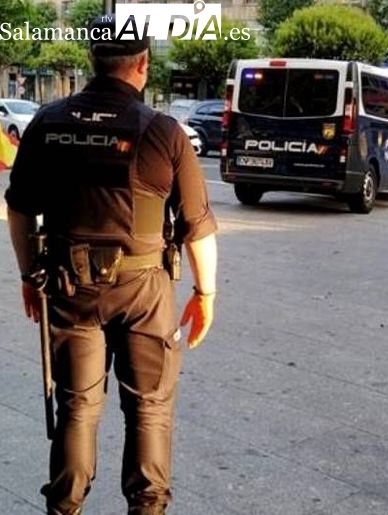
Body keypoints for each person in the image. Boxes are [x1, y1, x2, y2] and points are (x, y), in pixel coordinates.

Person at [5, 17, 218, 515]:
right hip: (144, 291)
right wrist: (205, 294)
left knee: (78, 406)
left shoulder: (47, 122)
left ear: (91, 61)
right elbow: (198, 226)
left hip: (69, 284)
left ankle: (64, 506)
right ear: (141, 64)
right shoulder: (164, 131)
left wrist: (27, 275)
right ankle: (146, 508)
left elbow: (19, 207)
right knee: (149, 408)